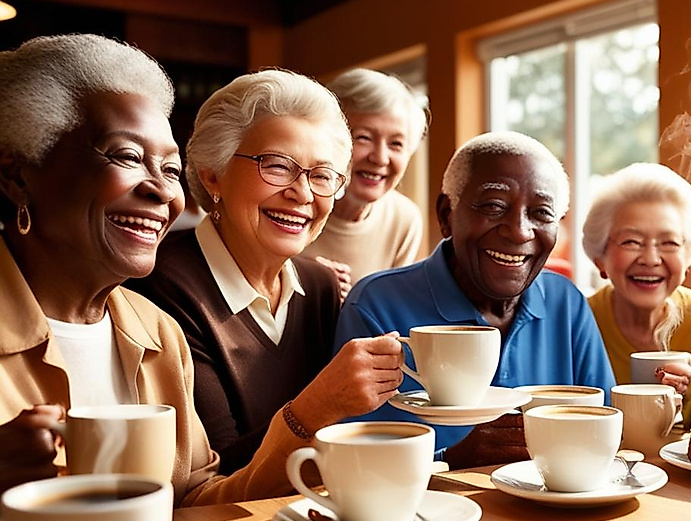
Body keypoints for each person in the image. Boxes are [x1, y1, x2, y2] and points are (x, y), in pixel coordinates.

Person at [0, 34, 380, 506]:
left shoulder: (157, 333)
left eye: (170, 169)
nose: (162, 191)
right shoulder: (170, 297)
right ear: (17, 175)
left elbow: (198, 501)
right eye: (128, 157)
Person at [128, 69, 404, 474]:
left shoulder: (321, 285)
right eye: (276, 166)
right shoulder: (160, 284)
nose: (302, 194)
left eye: (322, 176)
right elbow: (214, 475)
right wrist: (323, 402)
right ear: (212, 173)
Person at [335, 131, 616, 468]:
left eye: (541, 213)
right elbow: (352, 462)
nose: (520, 231)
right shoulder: (376, 306)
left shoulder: (566, 302)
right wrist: (453, 460)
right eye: (494, 206)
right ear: (446, 215)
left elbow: (605, 432)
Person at [581, 163, 691, 423]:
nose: (651, 259)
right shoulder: (580, 322)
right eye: (631, 242)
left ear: (688, 255)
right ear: (600, 257)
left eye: (669, 243)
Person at [300, 69, 426, 299]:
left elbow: (390, 308)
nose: (380, 158)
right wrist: (299, 276)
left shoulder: (403, 218)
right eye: (364, 138)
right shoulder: (295, 201)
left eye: (396, 144)